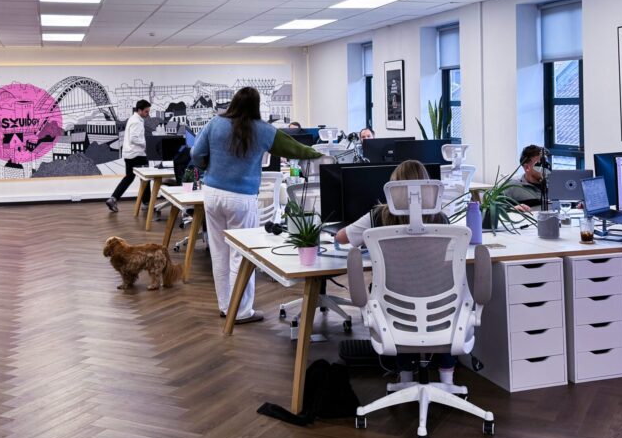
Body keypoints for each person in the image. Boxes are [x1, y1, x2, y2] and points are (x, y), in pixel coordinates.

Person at [192, 87, 322, 323]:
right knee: (241, 255)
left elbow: (195, 153)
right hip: (241, 198)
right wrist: (316, 154)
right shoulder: (263, 130)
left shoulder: (215, 124)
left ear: (232, 103)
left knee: (219, 252)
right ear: (256, 105)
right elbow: (296, 149)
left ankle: (225, 307)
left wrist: (208, 166)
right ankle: (241, 311)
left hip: (212, 194)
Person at [335, 160, 457, 385]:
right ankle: (447, 379)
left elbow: (341, 238)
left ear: (393, 188)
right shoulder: (442, 220)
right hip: (439, 305)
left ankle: (405, 376)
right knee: (440, 306)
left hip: (394, 305)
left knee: (400, 306)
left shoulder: (377, 217)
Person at [106, 100, 152, 213]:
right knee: (145, 179)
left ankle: (113, 198)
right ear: (140, 110)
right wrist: (146, 144)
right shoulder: (137, 122)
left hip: (129, 154)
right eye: (146, 111)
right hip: (138, 155)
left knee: (129, 177)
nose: (148, 114)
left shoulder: (132, 119)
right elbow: (134, 139)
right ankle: (147, 204)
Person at [501, 144, 547, 211]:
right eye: (539, 165)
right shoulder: (513, 186)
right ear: (527, 167)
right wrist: (511, 209)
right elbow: (490, 206)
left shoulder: (555, 185)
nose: (544, 169)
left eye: (546, 164)